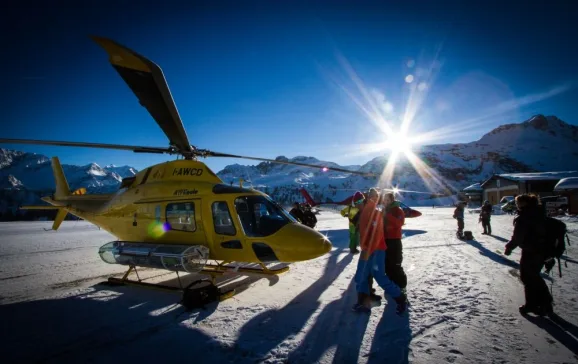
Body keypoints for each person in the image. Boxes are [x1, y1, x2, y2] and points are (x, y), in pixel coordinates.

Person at [352, 189, 407, 315]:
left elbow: (377, 234)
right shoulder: (365, 211)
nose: (358, 205)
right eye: (356, 203)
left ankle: (400, 298)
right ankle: (363, 302)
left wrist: (368, 249)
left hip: (376, 250)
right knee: (361, 276)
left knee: (379, 276)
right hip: (368, 249)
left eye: (360, 201)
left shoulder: (373, 211)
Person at [504, 194, 553, 316]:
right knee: (534, 276)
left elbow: (518, 237)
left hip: (531, 251)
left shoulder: (525, 216)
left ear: (523, 203)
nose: (517, 205)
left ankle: (533, 305)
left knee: (528, 277)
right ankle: (545, 304)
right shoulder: (538, 212)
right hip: (543, 250)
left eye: (518, 203)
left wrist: (509, 247)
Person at [382, 192, 407, 294]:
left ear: (392, 200)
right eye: (385, 200)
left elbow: (399, 223)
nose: (386, 202)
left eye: (388, 200)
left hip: (395, 241)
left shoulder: (398, 210)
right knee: (387, 265)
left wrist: (387, 215)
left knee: (396, 264)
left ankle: (402, 286)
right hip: (385, 241)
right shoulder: (384, 210)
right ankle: (391, 284)